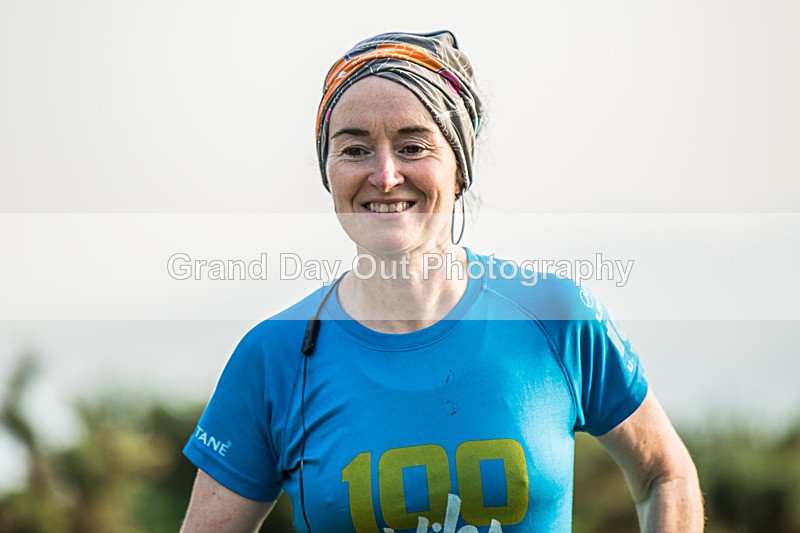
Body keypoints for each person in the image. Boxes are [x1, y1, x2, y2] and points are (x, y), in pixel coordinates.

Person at [180, 30, 703, 532]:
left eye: (412, 146)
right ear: (328, 171)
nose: (384, 175)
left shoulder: (554, 315)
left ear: (460, 167)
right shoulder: (274, 356)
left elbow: (665, 474)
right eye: (355, 149)